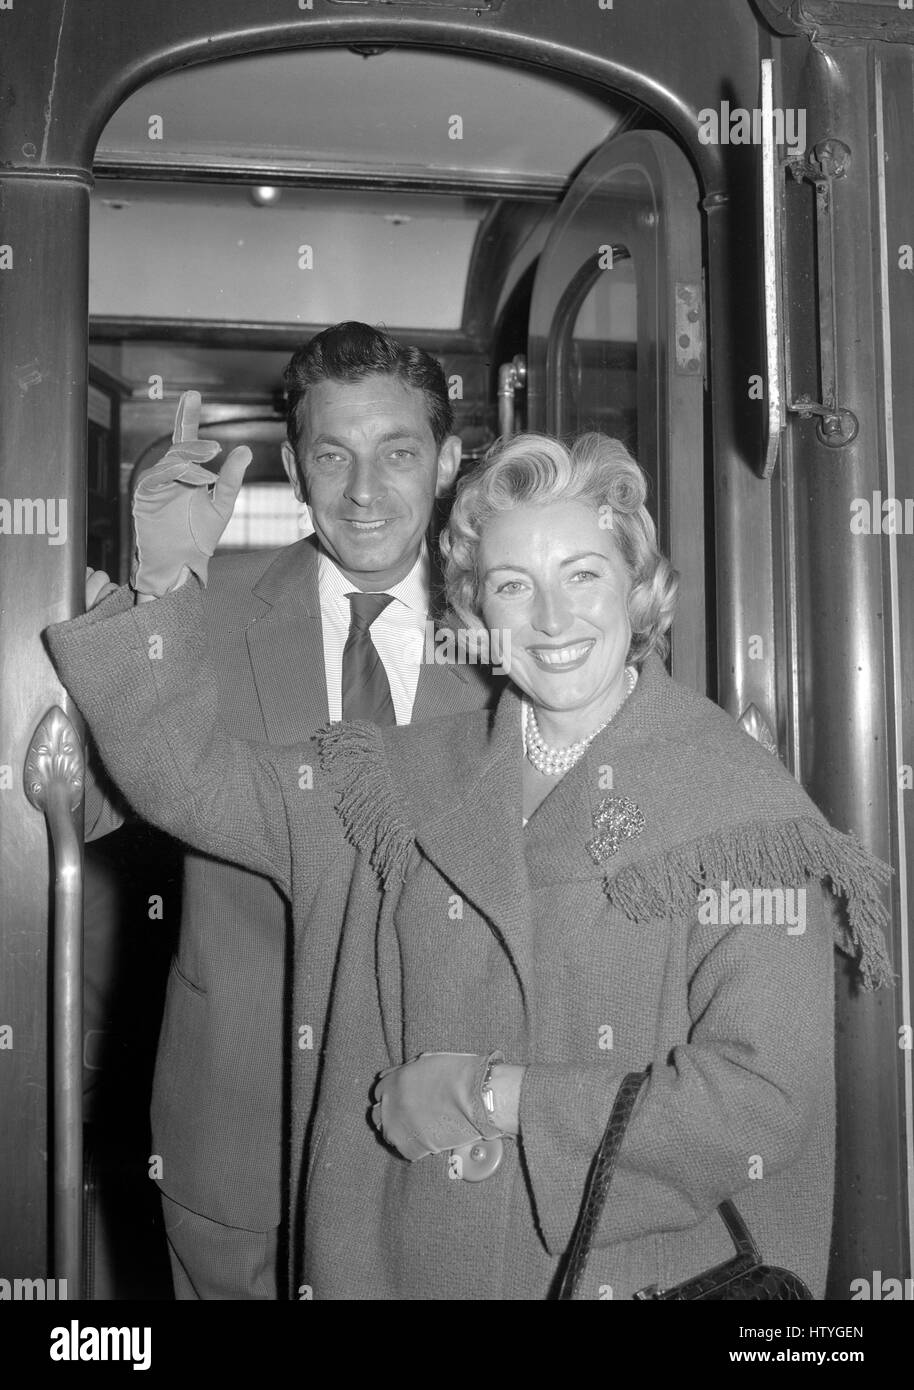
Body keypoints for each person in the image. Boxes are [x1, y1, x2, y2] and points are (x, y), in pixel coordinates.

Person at [49, 431, 893, 1300]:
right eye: (513, 586)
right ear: (476, 612)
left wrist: (496, 1098)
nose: (553, 620)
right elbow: (189, 780)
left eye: (583, 575)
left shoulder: (742, 811)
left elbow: (760, 1102)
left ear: (639, 588)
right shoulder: (388, 780)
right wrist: (164, 580)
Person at [80, 321, 498, 1300]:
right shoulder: (200, 604)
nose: (362, 491)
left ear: (444, 462)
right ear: (295, 466)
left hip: (439, 1123)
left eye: (397, 453)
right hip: (237, 1119)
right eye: (331, 454)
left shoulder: (514, 626)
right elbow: (91, 810)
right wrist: (157, 594)